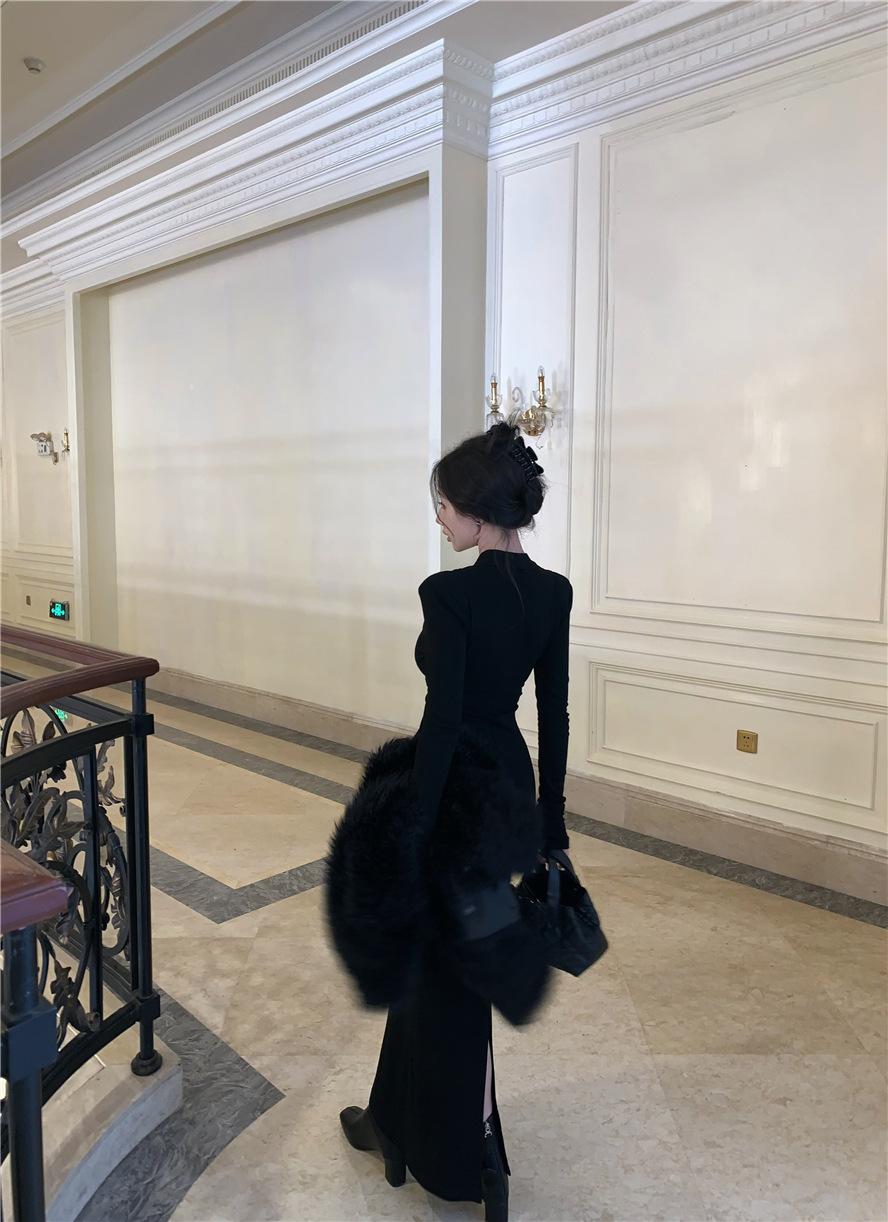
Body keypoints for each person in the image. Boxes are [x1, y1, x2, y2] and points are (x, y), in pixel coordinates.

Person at [339, 421, 573, 1222]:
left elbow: (442, 722)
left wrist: (417, 825)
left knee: (452, 971)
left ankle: (476, 1148)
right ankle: (394, 1120)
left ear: (475, 510)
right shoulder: (553, 592)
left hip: (454, 795)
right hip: (507, 788)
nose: (438, 519)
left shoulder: (448, 595)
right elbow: (554, 716)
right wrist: (551, 825)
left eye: (442, 505)